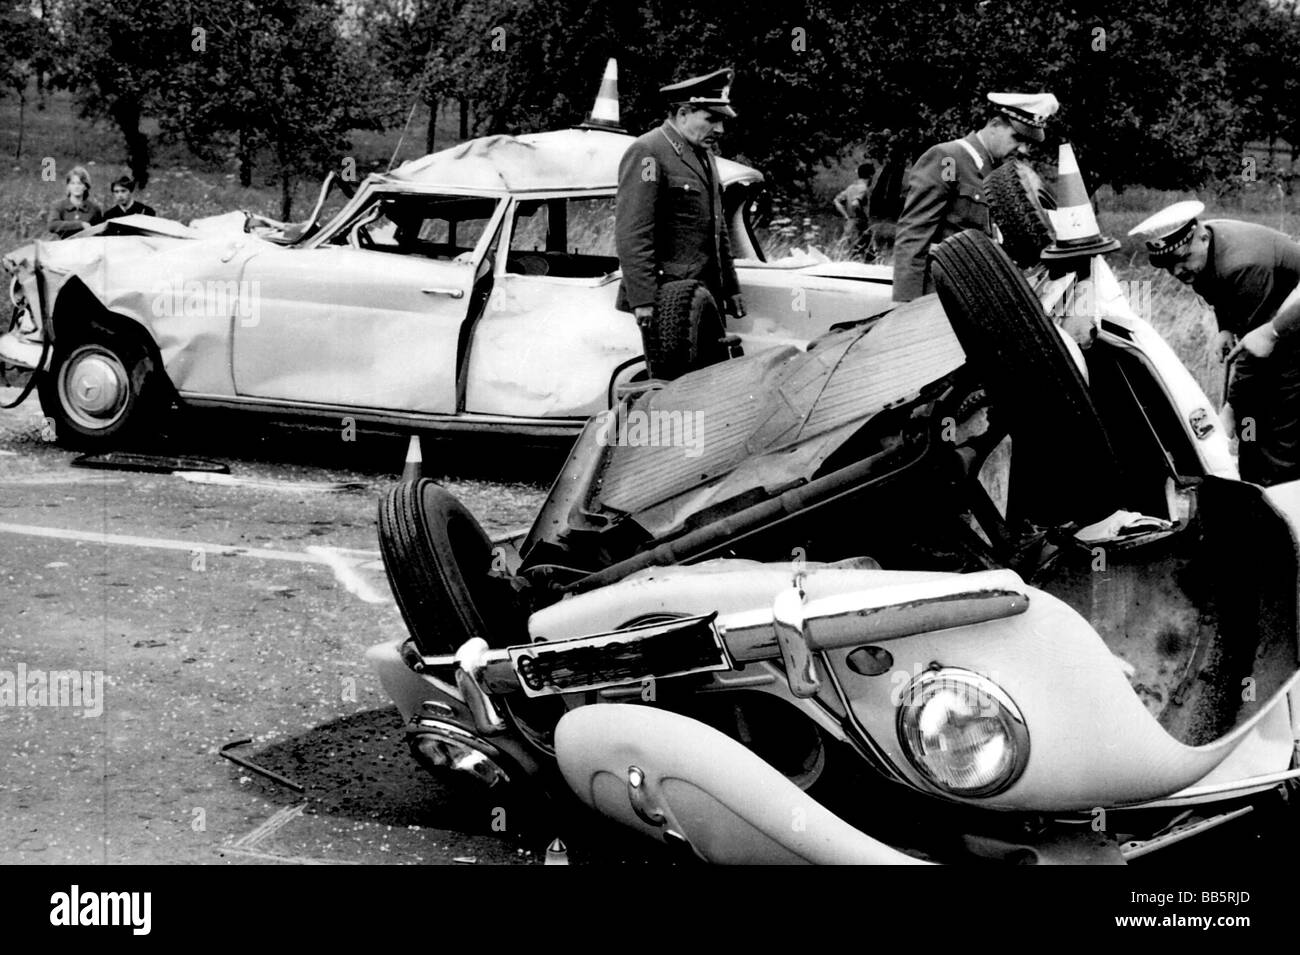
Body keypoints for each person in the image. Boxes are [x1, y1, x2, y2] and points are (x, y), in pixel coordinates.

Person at [1130, 200, 1300, 484]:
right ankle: (1254, 482)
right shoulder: (1204, 253)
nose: (1178, 271)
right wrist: (1226, 328)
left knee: (1280, 424)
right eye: (1169, 266)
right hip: (1273, 318)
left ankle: (1284, 497)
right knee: (1253, 421)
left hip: (1291, 328)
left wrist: (1230, 410)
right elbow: (1219, 291)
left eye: (1183, 259)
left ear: (1203, 237)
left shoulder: (1242, 264)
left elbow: (1254, 353)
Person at [891, 92, 1060, 302]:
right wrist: (906, 303)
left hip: (977, 300)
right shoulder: (949, 159)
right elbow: (914, 234)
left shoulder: (1002, 177)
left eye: (1027, 142)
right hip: (938, 299)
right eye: (1017, 138)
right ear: (995, 124)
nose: (1023, 149)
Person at [615, 66, 745, 338]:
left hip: (704, 298)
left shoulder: (703, 155)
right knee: (674, 378)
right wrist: (643, 300)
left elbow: (717, 230)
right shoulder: (649, 152)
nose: (719, 129)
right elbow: (634, 232)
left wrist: (731, 289)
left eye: (722, 121)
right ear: (683, 113)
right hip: (667, 300)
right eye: (711, 119)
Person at [46, 166, 103, 238]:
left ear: (85, 186)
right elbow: (52, 225)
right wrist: (80, 224)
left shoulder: (94, 209)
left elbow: (100, 233)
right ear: (68, 186)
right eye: (72, 183)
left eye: (80, 183)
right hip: (64, 246)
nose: (76, 187)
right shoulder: (59, 206)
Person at [834, 162, 874, 259]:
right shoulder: (863, 189)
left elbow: (836, 201)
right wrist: (861, 216)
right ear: (870, 176)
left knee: (851, 253)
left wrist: (846, 216)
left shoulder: (850, 188)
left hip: (849, 223)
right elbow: (855, 203)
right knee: (865, 255)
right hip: (859, 225)